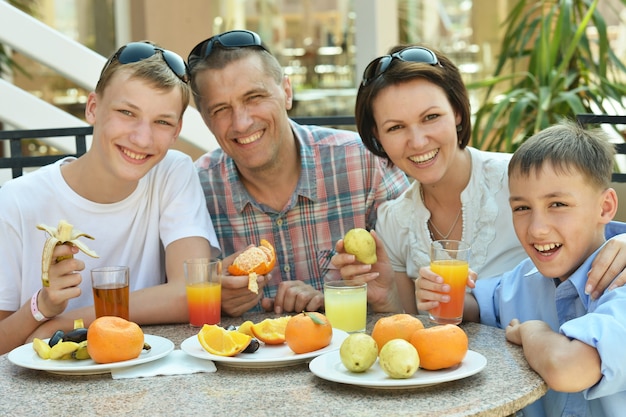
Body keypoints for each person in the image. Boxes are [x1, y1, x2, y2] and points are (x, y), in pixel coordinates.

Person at [332, 44, 626, 314]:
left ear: (457, 112)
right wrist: (385, 296)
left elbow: (596, 229)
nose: (418, 141)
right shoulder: (393, 221)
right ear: (378, 138)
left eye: (431, 117)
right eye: (396, 127)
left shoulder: (523, 183)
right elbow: (412, 326)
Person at [0, 41, 220, 355]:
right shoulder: (17, 201)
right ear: (93, 108)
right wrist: (42, 306)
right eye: (127, 112)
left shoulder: (172, 171)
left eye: (162, 122)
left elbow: (194, 291)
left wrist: (71, 321)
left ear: (176, 131)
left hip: (142, 371)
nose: (142, 138)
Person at [186, 30, 409, 317]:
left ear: (287, 92)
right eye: (220, 109)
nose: (241, 123)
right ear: (205, 120)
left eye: (254, 97)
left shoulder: (365, 163)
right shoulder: (195, 190)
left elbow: (409, 302)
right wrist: (214, 301)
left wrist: (337, 300)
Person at [425, 121, 626, 415]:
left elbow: (568, 368)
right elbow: (476, 304)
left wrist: (533, 332)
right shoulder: (523, 278)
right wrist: (441, 292)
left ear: (605, 207)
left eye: (557, 204)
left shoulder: (621, 283)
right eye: (522, 208)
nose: (537, 229)